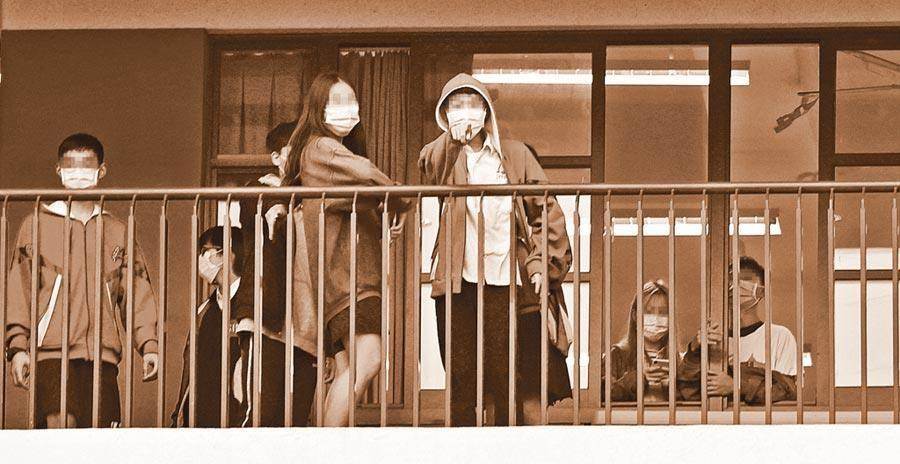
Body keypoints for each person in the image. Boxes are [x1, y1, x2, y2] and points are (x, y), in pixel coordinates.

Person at [418, 73, 573, 426]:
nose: (465, 111)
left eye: (473, 103)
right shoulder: (444, 154)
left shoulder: (515, 154)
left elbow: (546, 210)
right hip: (457, 282)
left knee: (506, 377)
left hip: (504, 281)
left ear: (486, 111)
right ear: (444, 113)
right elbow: (428, 168)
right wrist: (451, 140)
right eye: (456, 105)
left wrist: (539, 263)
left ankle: (506, 447)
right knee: (460, 378)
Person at [6, 133, 159, 428]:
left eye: (86, 165)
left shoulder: (117, 231)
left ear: (101, 171)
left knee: (100, 443)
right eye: (70, 165)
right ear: (59, 170)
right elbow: (19, 290)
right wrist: (18, 347)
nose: (78, 173)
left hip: (103, 357)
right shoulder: (36, 225)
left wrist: (148, 345)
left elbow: (136, 291)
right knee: (60, 432)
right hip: (52, 354)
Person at [281, 72, 408, 426]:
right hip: (348, 280)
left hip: (341, 279)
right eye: (336, 101)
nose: (347, 109)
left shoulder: (321, 152)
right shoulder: (321, 147)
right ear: (318, 107)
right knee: (368, 361)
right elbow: (366, 173)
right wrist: (399, 196)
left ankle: (327, 440)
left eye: (351, 101)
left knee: (348, 368)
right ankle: (326, 444)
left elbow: (359, 194)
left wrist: (385, 207)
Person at [229, 120, 318, 427]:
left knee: (296, 420)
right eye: (297, 151)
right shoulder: (259, 189)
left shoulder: (315, 199)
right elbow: (259, 205)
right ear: (277, 157)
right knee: (260, 416)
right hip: (265, 315)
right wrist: (279, 202)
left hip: (306, 325)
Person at [679, 256, 798, 404]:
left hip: (760, 419)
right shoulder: (713, 337)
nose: (736, 286)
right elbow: (687, 391)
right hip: (717, 417)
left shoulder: (779, 336)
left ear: (762, 291)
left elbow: (787, 391)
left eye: (745, 280)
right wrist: (694, 350)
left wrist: (737, 386)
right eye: (731, 280)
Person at [171, 226, 243, 427]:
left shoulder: (252, 308)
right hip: (199, 422)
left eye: (205, 251)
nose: (200, 259)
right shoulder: (203, 311)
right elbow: (189, 368)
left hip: (237, 424)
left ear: (227, 253)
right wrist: (179, 416)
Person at [600, 280, 683, 402]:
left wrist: (672, 386)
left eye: (663, 313)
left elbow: (692, 399)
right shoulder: (616, 356)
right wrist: (639, 378)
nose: (656, 318)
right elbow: (601, 396)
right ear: (635, 315)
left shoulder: (680, 361)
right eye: (648, 312)